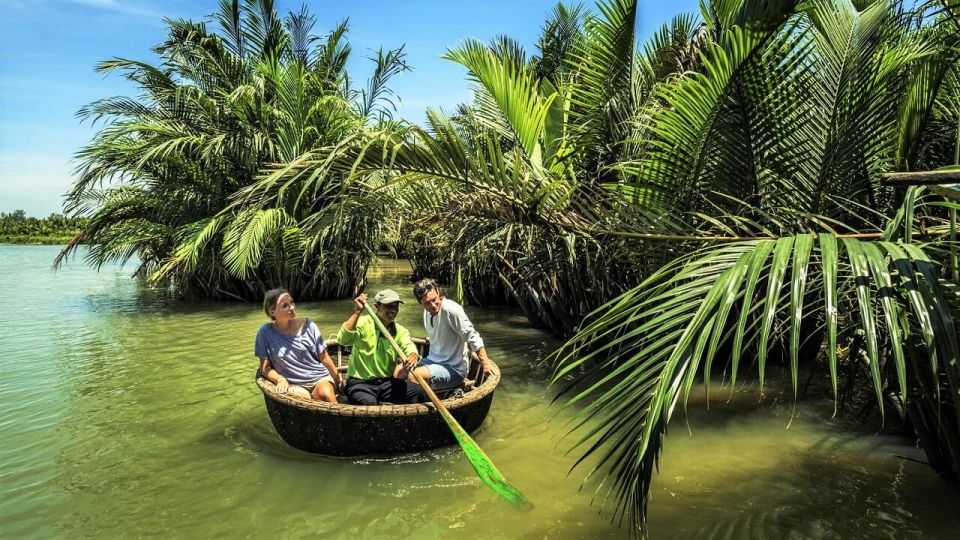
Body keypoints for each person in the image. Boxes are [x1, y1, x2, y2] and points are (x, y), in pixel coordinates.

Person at [337, 289, 427, 405]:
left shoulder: (399, 330)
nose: (393, 310)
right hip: (360, 383)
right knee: (369, 403)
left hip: (386, 383)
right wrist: (358, 312)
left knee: (419, 392)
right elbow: (343, 339)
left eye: (396, 306)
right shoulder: (364, 323)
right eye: (388, 306)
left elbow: (408, 345)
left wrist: (413, 355)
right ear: (376, 307)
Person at [404, 278, 493, 392]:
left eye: (434, 299)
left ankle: (419, 404)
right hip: (432, 361)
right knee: (399, 371)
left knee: (414, 375)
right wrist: (434, 338)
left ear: (438, 292)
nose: (433, 305)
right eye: (427, 303)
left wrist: (485, 364)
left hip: (454, 369)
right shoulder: (427, 312)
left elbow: (473, 336)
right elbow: (441, 330)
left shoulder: (451, 310)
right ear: (420, 302)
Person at [255, 288, 342, 402]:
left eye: (291, 302)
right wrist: (280, 379)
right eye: (285, 305)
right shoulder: (265, 332)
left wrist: (338, 379)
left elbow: (324, 356)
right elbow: (265, 368)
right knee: (299, 400)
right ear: (272, 312)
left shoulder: (308, 325)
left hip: (319, 378)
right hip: (294, 385)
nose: (292, 307)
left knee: (326, 394)